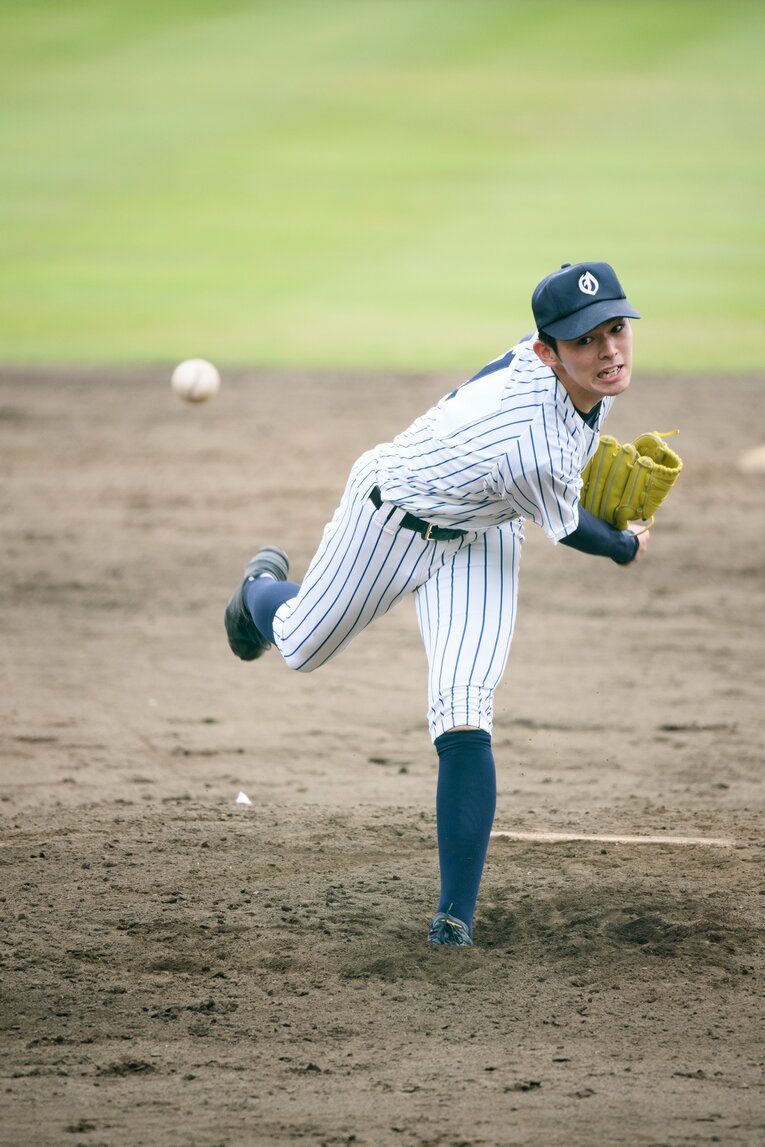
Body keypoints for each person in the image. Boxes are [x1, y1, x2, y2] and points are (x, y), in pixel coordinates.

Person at [224, 261, 649, 947]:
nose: (607, 352)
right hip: (389, 515)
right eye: (585, 341)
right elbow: (570, 528)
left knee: (463, 707)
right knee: (301, 645)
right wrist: (626, 544)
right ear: (546, 352)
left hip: (481, 534)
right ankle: (257, 593)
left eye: (614, 330)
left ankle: (453, 918)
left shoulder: (578, 373)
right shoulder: (529, 446)